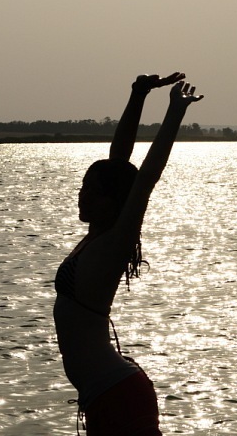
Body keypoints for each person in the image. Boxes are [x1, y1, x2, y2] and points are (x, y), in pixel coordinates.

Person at [54, 72, 204, 435]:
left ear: (114, 202)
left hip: (117, 394)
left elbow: (146, 176)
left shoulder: (115, 243)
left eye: (94, 192)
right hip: (103, 394)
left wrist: (175, 112)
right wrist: (138, 95)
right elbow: (118, 161)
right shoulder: (94, 237)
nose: (83, 196)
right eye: (83, 187)